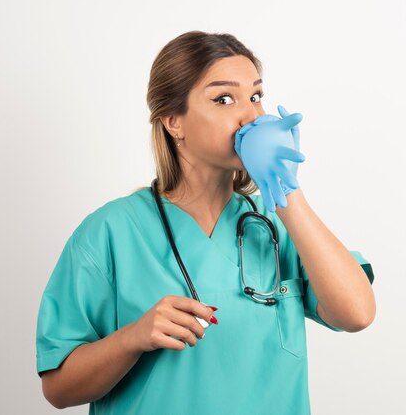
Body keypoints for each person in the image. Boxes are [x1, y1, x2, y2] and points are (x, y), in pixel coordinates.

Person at [36, 30, 376, 415]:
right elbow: (59, 389)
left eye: (256, 96)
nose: (251, 116)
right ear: (173, 121)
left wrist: (285, 190)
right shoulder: (109, 233)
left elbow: (357, 314)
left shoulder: (276, 224)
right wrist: (133, 337)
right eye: (224, 99)